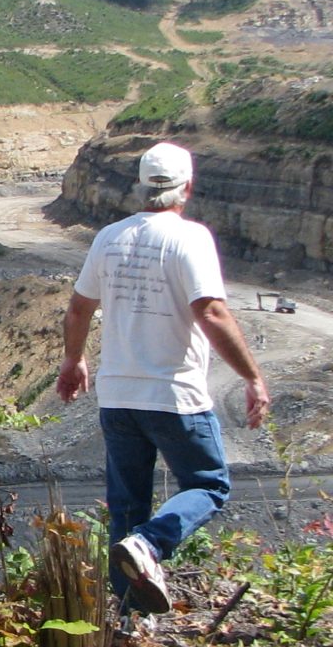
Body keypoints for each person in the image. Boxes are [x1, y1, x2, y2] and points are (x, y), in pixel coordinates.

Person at [55, 141, 270, 618]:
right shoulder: (190, 238)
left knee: (126, 506)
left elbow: (79, 308)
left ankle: (129, 616)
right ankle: (150, 544)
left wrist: (73, 361)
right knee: (209, 486)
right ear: (186, 188)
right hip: (174, 395)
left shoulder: (109, 237)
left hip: (118, 394)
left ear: (140, 187)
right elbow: (211, 313)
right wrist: (252, 377)